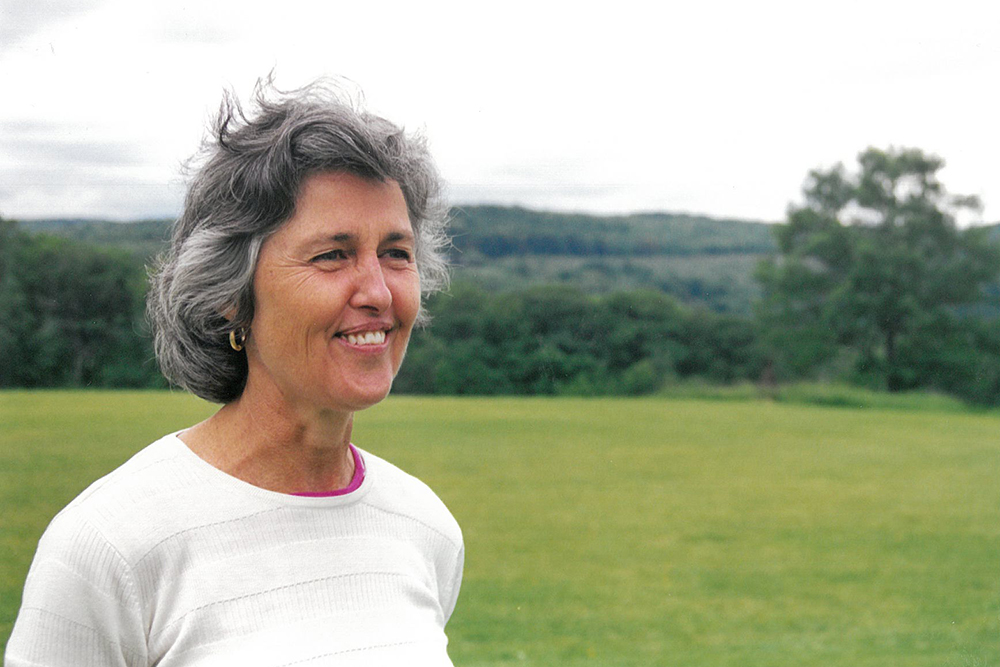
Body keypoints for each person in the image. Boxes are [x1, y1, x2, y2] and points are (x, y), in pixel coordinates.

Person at [6, 77, 463, 666]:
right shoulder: (110, 545)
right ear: (230, 294)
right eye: (332, 255)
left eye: (396, 253)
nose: (377, 291)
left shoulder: (424, 527)